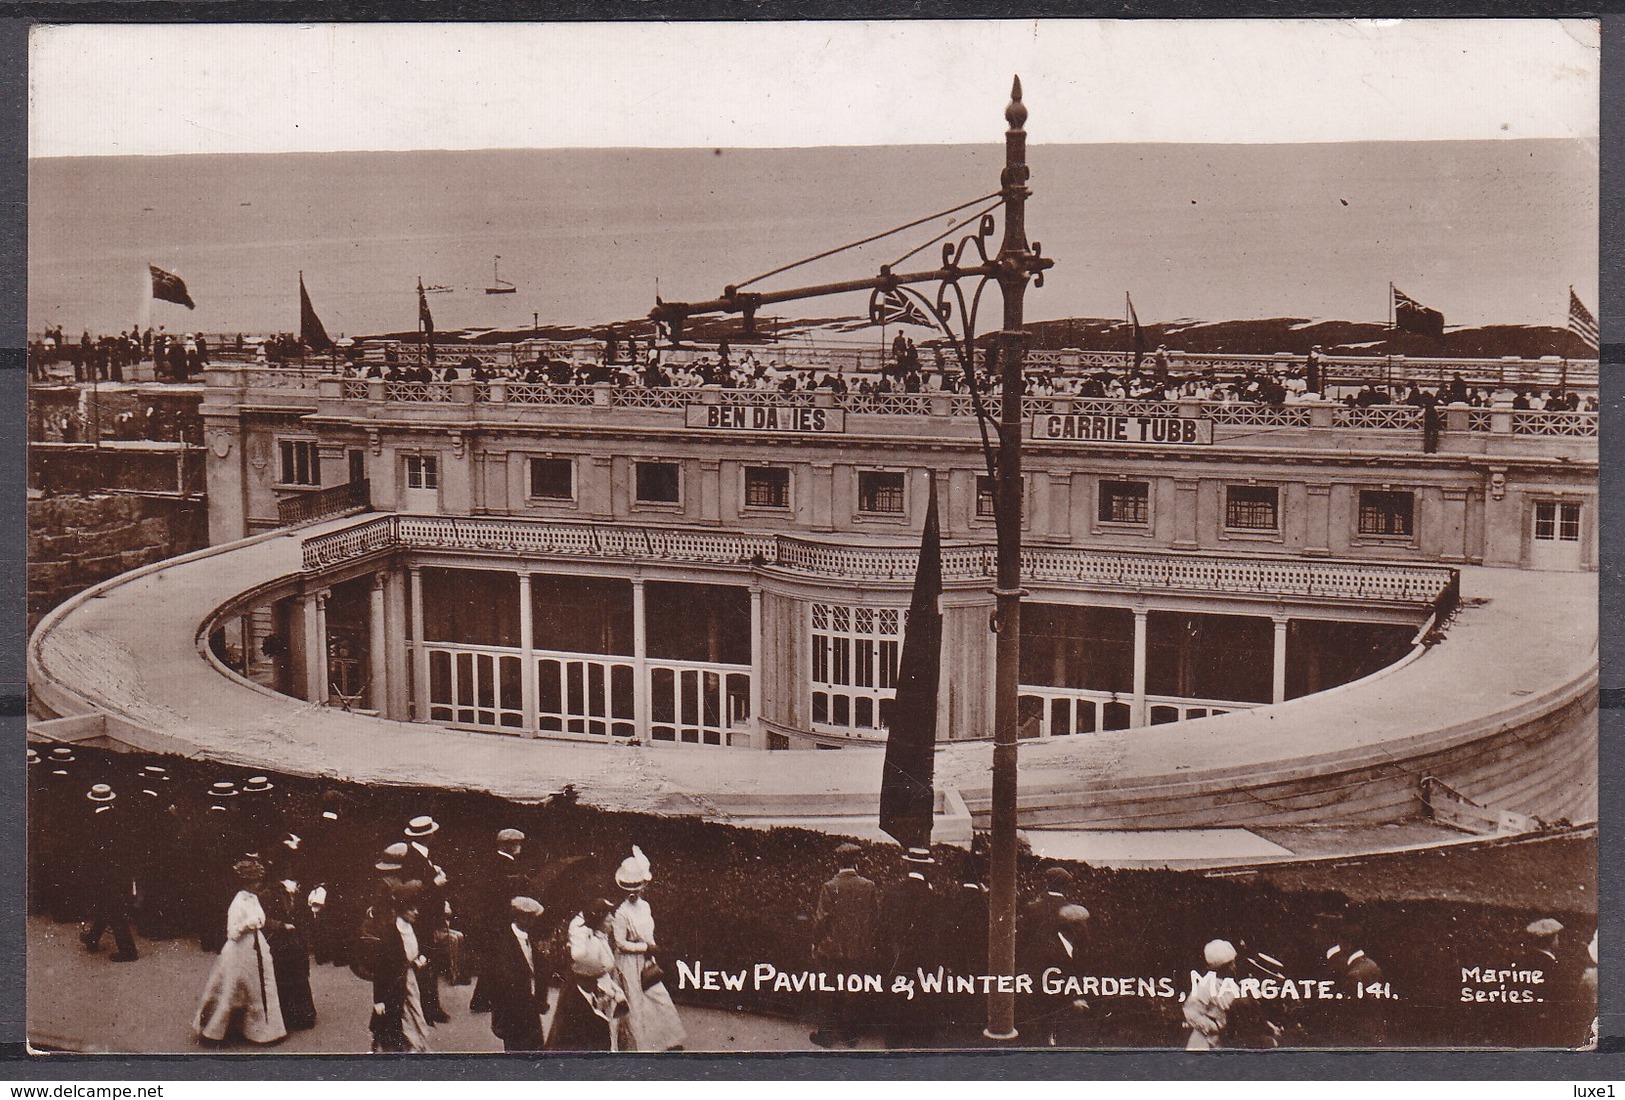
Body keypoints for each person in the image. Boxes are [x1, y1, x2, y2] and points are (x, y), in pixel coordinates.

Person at [195, 859, 286, 1046]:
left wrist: (258, 923)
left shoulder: (253, 898)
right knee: (234, 987)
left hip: (256, 946)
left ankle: (265, 1032)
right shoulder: (238, 902)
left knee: (260, 986)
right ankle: (214, 1031)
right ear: (247, 883)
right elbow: (232, 933)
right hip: (241, 950)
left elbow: (261, 918)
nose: (258, 885)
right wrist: (249, 923)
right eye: (255, 882)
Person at [609, 846, 686, 1051]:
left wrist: (652, 950)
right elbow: (620, 943)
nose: (635, 893)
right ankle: (640, 1047)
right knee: (635, 1006)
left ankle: (668, 1040)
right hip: (628, 965)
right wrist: (645, 948)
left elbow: (648, 932)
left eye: (638, 888)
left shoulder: (645, 907)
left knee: (658, 997)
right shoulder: (621, 913)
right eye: (629, 889)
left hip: (646, 961)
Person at [809, 842, 878, 1048]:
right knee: (853, 991)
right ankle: (850, 1035)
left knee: (828, 991)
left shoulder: (830, 887)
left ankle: (826, 1035)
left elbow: (821, 920)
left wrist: (815, 943)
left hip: (832, 949)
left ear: (837, 861)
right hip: (858, 949)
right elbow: (874, 918)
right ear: (857, 862)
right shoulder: (869, 886)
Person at [548, 899, 626, 1051]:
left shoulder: (600, 937)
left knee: (596, 1034)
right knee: (578, 1035)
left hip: (594, 989)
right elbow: (585, 961)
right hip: (581, 991)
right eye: (608, 918)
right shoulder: (588, 938)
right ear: (599, 920)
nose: (612, 920)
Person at [398, 815, 453, 1023]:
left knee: (426, 960)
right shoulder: (415, 857)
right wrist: (435, 883)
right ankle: (429, 1009)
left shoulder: (416, 854)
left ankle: (428, 1006)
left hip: (424, 917)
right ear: (429, 836)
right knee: (426, 961)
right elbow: (415, 889)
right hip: (423, 918)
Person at [370, 880, 433, 1054]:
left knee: (415, 1014)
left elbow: (421, 950)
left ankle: (415, 1048)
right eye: (411, 909)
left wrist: (421, 959)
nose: (416, 912)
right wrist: (378, 1000)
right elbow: (380, 970)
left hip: (413, 982)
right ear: (401, 909)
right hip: (396, 986)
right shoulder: (390, 934)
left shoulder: (415, 929)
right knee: (401, 1019)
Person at [78, 784, 139, 961]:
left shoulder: (95, 822)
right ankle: (93, 937)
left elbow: (93, 853)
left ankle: (128, 951)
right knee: (108, 906)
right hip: (120, 871)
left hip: (104, 873)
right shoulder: (118, 817)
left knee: (113, 910)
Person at [484, 897, 551, 1051]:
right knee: (516, 1049)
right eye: (531, 918)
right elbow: (502, 980)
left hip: (530, 1007)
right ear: (521, 917)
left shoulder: (528, 939)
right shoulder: (504, 942)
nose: (534, 922)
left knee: (535, 1049)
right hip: (512, 1009)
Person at [1183, 939, 1243, 1051]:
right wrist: (1213, 1027)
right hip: (1205, 1042)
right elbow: (1191, 1012)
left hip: (1226, 1040)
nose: (1234, 967)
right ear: (1222, 966)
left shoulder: (1232, 985)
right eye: (1231, 964)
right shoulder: (1205, 986)